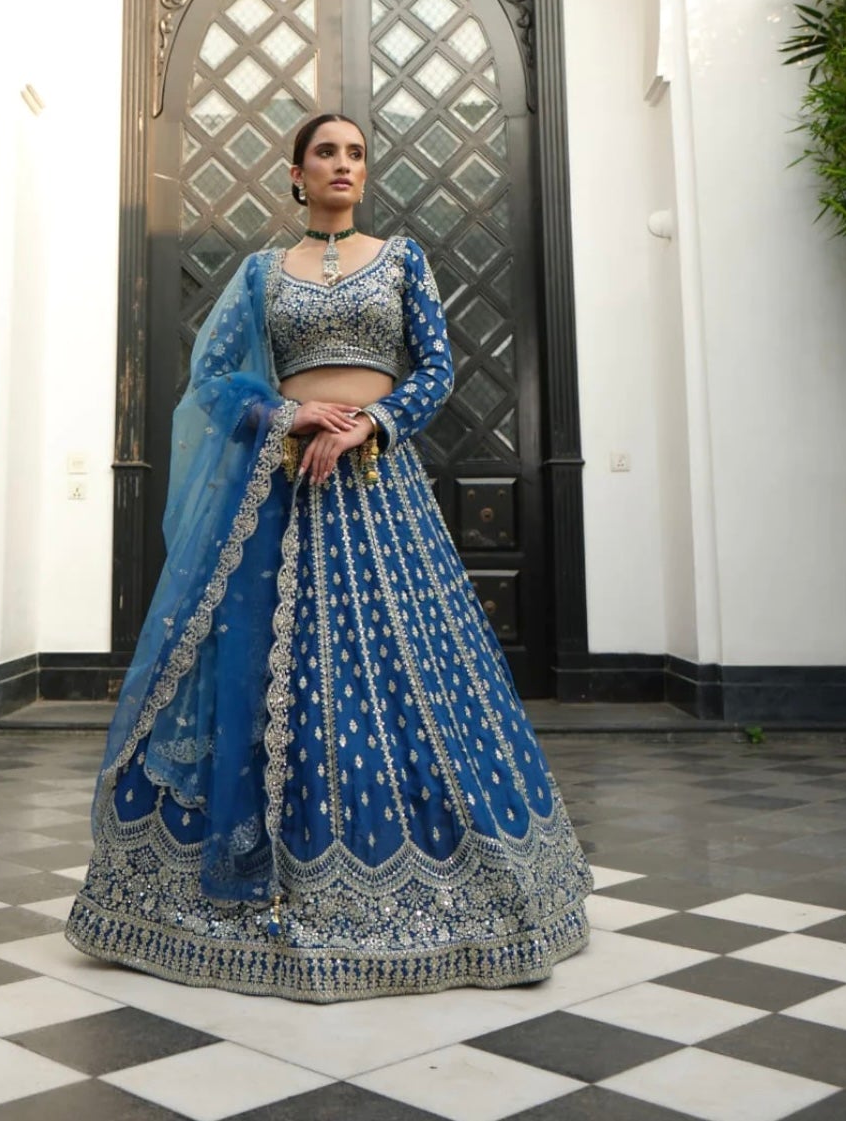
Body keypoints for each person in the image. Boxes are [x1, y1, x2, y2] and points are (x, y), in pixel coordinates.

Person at [65, 114, 591, 1002]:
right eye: (325, 153)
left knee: (403, 671)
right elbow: (212, 377)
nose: (343, 165)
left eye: (354, 153)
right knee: (284, 669)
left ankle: (436, 885)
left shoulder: (405, 258)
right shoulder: (263, 272)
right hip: (284, 492)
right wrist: (288, 415)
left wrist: (370, 425)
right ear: (297, 174)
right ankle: (238, 882)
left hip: (381, 487)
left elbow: (436, 369)